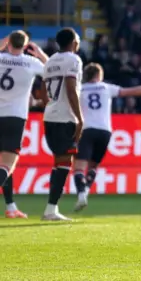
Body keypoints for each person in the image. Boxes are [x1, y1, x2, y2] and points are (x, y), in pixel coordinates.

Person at [73, 63, 141, 211]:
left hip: (86, 129)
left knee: (78, 167)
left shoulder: (80, 89)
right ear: (99, 75)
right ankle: (87, 190)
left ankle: (81, 192)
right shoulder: (106, 88)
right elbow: (133, 91)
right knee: (93, 166)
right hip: (104, 131)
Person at [0, 31, 48, 218]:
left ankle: (11, 207)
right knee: (7, 165)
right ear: (26, 46)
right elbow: (54, 69)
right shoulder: (31, 62)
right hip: (15, 117)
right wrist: (40, 53)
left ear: (8, 43)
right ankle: (11, 206)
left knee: (3, 164)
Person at [40, 28, 84, 221]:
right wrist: (80, 118)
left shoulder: (50, 60)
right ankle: (51, 209)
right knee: (65, 163)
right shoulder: (73, 60)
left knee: (59, 163)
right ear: (74, 41)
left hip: (50, 116)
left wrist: (51, 106)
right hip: (65, 117)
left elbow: (42, 90)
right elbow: (71, 88)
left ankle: (51, 209)